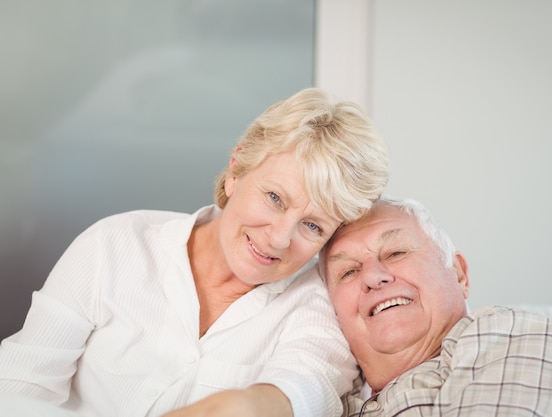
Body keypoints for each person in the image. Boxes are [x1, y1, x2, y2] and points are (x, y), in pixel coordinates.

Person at [0, 87, 390, 417]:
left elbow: (303, 389)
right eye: (275, 198)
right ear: (237, 169)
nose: (278, 239)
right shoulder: (114, 245)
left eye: (312, 226)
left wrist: (248, 405)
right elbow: (21, 388)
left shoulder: (319, 306)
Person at [320, 196, 552, 417]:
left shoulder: (510, 335)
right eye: (348, 272)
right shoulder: (322, 396)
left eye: (396, 252)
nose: (372, 276)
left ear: (459, 274)